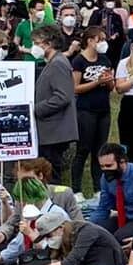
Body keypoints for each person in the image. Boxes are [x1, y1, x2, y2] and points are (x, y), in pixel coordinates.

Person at [14, 206, 126, 265]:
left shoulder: (87, 232)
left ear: (61, 227)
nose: (48, 240)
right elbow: (51, 259)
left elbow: (71, 262)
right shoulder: (64, 237)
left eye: (49, 236)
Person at [28, 27, 79, 176]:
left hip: (55, 132)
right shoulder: (53, 62)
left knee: (51, 175)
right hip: (50, 132)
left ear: (48, 43)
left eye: (36, 43)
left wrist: (34, 109)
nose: (34, 46)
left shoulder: (58, 63)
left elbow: (62, 96)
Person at [71, 25, 116, 192]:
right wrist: (96, 82)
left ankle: (99, 188)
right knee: (83, 149)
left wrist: (108, 80)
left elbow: (111, 87)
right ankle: (76, 189)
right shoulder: (79, 61)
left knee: (100, 151)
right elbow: (75, 88)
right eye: (100, 39)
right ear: (90, 41)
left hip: (103, 110)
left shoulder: (105, 60)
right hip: (85, 110)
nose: (103, 43)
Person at [89, 144, 133, 234]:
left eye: (109, 166)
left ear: (122, 162)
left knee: (120, 238)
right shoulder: (106, 179)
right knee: (96, 233)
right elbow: (103, 208)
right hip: (122, 217)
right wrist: (87, 226)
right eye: (102, 166)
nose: (105, 170)